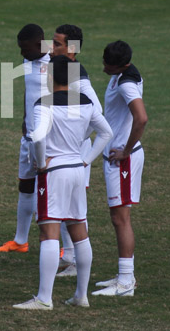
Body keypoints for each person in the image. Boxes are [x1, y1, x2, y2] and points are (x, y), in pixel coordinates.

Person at [13, 55, 112, 310]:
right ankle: (81, 295)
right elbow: (106, 133)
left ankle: (44, 299)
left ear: (50, 77)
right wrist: (87, 159)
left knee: (49, 231)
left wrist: (41, 164)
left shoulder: (43, 104)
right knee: (80, 231)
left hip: (54, 172)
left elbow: (37, 137)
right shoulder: (87, 102)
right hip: (77, 170)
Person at [92, 40, 147, 297]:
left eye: (108, 64)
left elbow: (141, 117)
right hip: (115, 159)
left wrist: (125, 150)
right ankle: (124, 276)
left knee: (120, 218)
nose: (104, 66)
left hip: (122, 161)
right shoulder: (124, 74)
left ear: (121, 65)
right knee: (117, 218)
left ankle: (126, 282)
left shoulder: (126, 83)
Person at [0, 24, 50, 253]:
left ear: (39, 44)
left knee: (51, 191)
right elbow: (30, 90)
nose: (21, 54)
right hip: (28, 136)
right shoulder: (29, 60)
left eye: (24, 49)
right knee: (25, 186)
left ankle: (66, 248)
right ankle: (20, 241)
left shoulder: (60, 62)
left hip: (48, 139)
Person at [50, 24, 102, 277]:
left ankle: (73, 261)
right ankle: (69, 255)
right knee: (63, 206)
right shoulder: (62, 68)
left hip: (73, 151)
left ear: (71, 49)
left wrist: (73, 138)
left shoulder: (76, 75)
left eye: (56, 44)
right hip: (65, 150)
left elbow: (97, 112)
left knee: (74, 209)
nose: (50, 48)